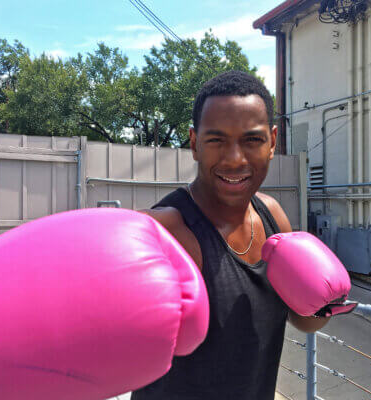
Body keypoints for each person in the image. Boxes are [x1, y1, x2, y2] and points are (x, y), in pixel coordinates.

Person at [131, 71, 329, 400]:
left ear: (272, 143)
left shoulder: (273, 217)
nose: (235, 158)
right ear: (194, 144)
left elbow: (304, 322)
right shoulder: (165, 232)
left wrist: (322, 300)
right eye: (217, 140)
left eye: (251, 140)